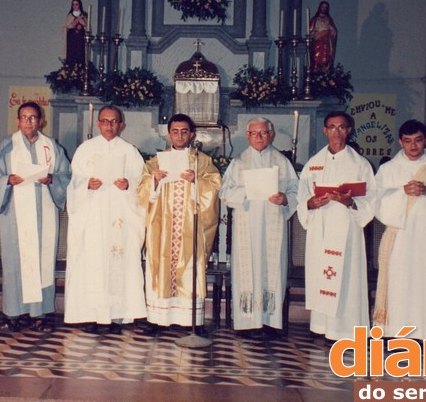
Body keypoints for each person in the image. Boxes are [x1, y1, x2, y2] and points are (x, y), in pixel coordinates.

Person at [0, 102, 71, 333]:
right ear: (17, 121)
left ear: (41, 121)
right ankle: (13, 313)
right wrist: (7, 180)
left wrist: (52, 179)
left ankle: (40, 314)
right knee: (15, 263)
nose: (29, 122)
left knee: (42, 262)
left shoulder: (51, 147)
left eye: (33, 118)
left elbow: (66, 174)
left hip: (44, 214)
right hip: (15, 215)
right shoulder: (5, 147)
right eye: (24, 117)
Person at [373, 120, 426, 340]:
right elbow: (376, 199)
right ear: (400, 142)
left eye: (418, 140)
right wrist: (402, 192)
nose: (413, 146)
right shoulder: (388, 169)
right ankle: (395, 332)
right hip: (400, 238)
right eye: (408, 141)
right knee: (399, 283)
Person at [64, 105, 146, 334]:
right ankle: (91, 315)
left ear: (121, 125)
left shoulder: (130, 152)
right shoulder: (85, 150)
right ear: (98, 123)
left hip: (120, 217)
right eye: (105, 121)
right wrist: (86, 185)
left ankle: (117, 315)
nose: (109, 125)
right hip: (93, 216)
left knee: (119, 263)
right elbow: (74, 182)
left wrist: (128, 184)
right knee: (92, 263)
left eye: (114, 121)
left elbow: (142, 183)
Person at [137, 114, 221, 335]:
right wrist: (154, 180)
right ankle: (158, 319)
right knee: (160, 267)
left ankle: (191, 320)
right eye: (175, 131)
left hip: (190, 227)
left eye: (184, 131)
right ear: (169, 134)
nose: (180, 135)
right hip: (162, 227)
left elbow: (214, 186)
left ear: (192, 134)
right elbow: (142, 192)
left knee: (190, 268)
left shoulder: (201, 161)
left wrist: (197, 181)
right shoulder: (155, 162)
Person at [296, 111, 375, 341]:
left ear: (349, 130)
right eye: (332, 127)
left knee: (346, 278)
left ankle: (345, 330)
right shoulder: (313, 165)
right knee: (322, 274)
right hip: (320, 229)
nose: (337, 132)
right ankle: (321, 327)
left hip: (347, 230)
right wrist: (310, 203)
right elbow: (302, 198)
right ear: (325, 130)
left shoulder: (360, 164)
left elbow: (372, 199)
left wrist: (351, 202)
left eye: (341, 127)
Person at [219, 117, 298, 338]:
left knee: (272, 270)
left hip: (273, 224)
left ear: (271, 134)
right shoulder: (239, 163)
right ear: (248, 135)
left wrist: (285, 198)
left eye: (263, 133)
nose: (259, 137)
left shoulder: (282, 162)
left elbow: (296, 191)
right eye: (254, 133)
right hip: (247, 224)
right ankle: (247, 322)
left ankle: (270, 322)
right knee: (247, 270)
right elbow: (224, 192)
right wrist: (246, 192)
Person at [308, 1, 337, 73]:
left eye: (325, 7)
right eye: (322, 7)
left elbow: (334, 32)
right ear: (319, 8)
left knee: (325, 58)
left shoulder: (329, 19)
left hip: (326, 44)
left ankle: (325, 72)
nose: (324, 9)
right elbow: (310, 32)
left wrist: (331, 30)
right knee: (316, 58)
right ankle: (315, 72)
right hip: (317, 43)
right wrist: (316, 34)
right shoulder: (314, 19)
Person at [61, 0, 88, 66]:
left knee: (80, 54)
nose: (74, 6)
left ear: (79, 5)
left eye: (76, 4)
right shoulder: (70, 16)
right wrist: (69, 26)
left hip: (80, 39)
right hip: (71, 39)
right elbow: (66, 27)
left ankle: (81, 67)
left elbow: (87, 27)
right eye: (73, 4)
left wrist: (82, 22)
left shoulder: (83, 16)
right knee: (71, 54)